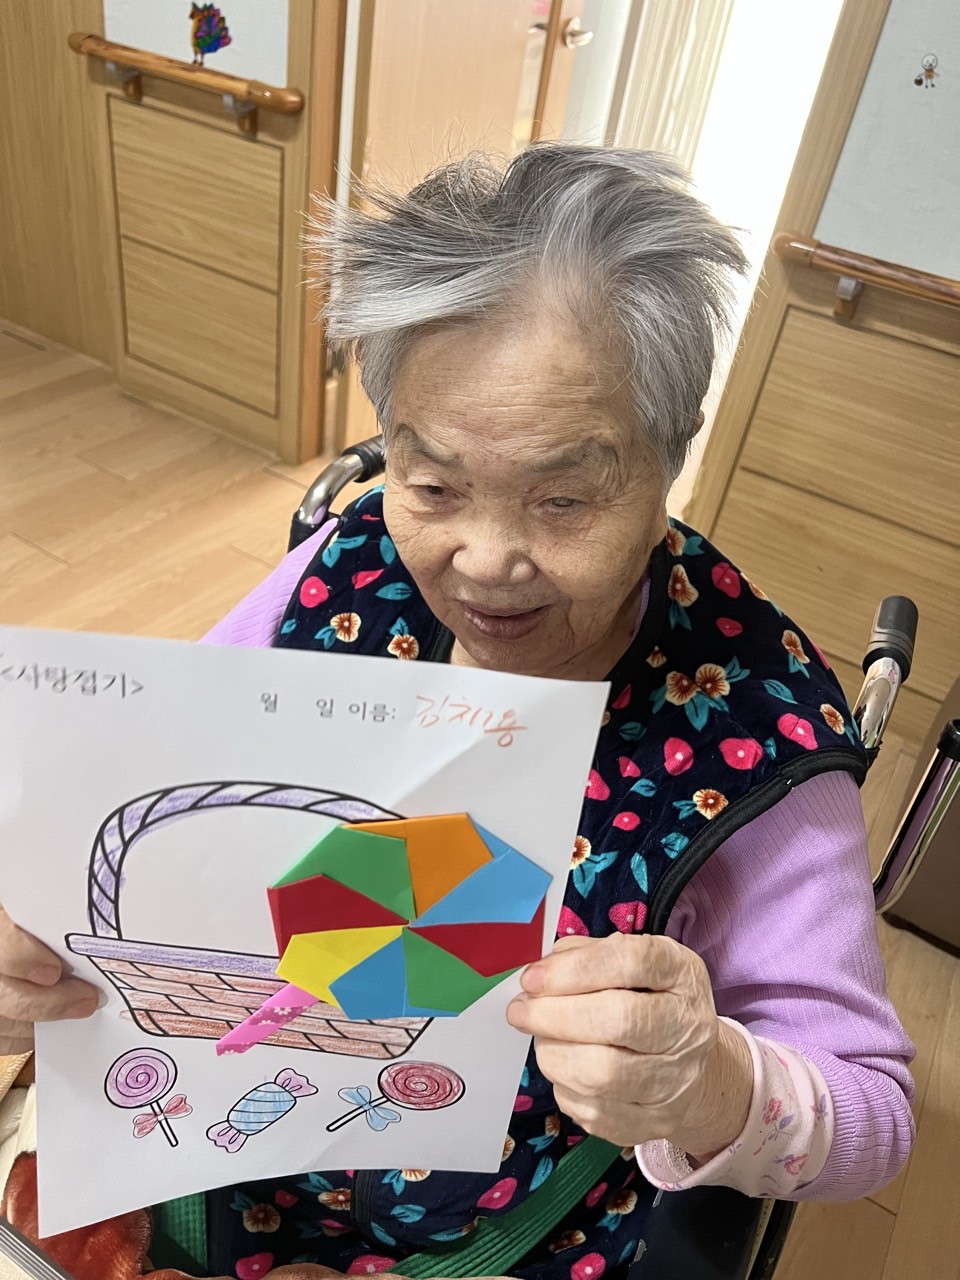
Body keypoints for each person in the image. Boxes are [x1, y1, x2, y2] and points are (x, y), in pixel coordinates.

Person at [0, 146, 914, 1280]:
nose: (484, 560)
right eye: (433, 484)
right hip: (231, 1126)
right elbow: (153, 785)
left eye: (563, 498)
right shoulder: (346, 570)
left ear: (669, 464)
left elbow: (873, 1114)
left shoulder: (761, 742)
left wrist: (712, 1080)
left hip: (508, 1224)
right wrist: (32, 950)